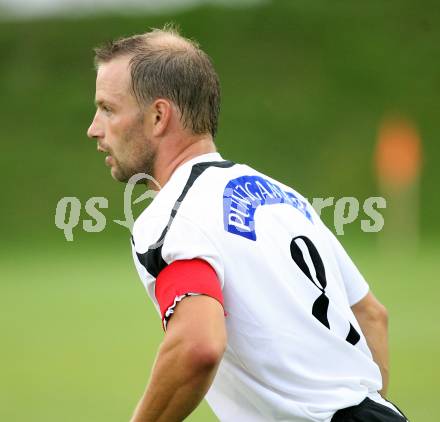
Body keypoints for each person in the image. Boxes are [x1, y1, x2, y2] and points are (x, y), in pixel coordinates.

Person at [87, 25, 408, 422]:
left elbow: (198, 345)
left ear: (158, 116)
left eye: (107, 108)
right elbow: (372, 316)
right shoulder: (284, 197)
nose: (94, 128)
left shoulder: (170, 217)